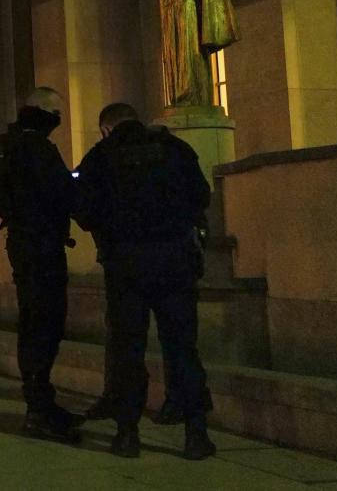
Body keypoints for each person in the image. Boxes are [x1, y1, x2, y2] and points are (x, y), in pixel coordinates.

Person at [74, 102, 215, 460]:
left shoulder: (100, 156)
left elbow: (84, 212)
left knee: (128, 350)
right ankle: (195, 433)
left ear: (106, 128)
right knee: (183, 346)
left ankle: (127, 434)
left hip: (125, 265)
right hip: (174, 261)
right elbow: (201, 195)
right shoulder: (175, 148)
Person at [0, 87, 84, 442]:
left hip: (21, 241)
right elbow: (61, 192)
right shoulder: (37, 148)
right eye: (55, 112)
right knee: (46, 321)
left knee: (32, 319)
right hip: (42, 243)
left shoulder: (3, 145)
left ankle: (41, 402)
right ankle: (38, 409)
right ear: (40, 111)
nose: (58, 119)